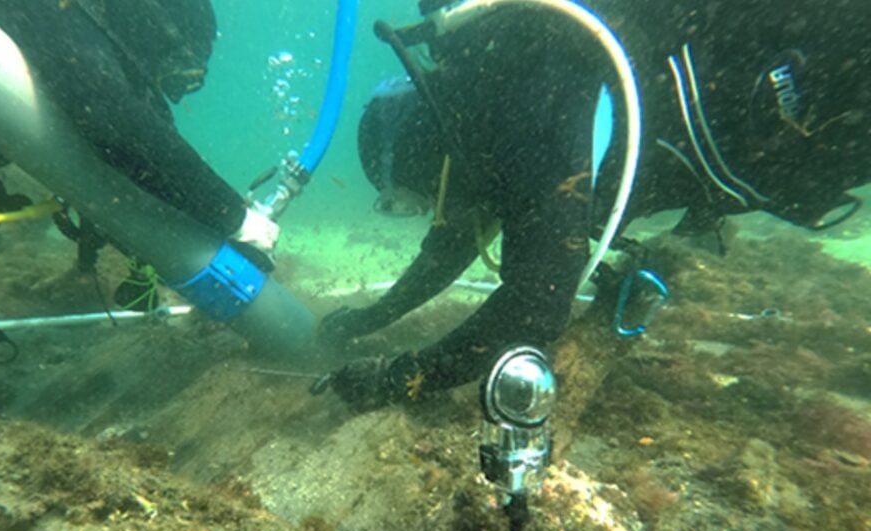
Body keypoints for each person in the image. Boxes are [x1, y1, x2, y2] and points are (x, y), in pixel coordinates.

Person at [318, 0, 871, 410]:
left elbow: (536, 304)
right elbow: (453, 246)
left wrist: (396, 378)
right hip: (821, 128)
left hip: (837, 67)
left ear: (427, 154)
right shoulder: (494, 138)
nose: (434, 215)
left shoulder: (526, 94)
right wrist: (366, 320)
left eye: (414, 200)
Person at [0, 0, 279, 358]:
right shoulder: (55, 13)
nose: (172, 88)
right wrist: (235, 218)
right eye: (177, 68)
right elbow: (110, 115)